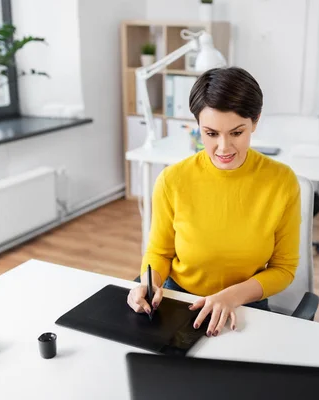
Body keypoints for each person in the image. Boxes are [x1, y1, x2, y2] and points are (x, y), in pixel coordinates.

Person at [127, 66, 301, 338]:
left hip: (246, 305)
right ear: (197, 125)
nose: (223, 147)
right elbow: (159, 254)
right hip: (181, 302)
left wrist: (231, 297)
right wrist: (147, 284)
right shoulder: (172, 180)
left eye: (236, 133)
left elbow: (284, 269)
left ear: (255, 121)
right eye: (211, 134)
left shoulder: (282, 182)